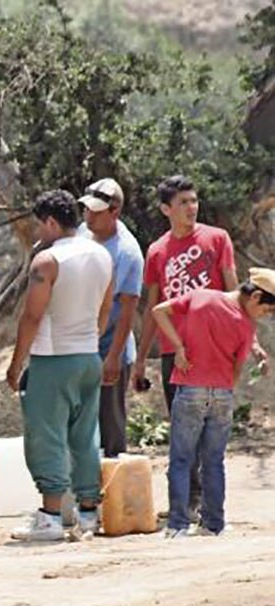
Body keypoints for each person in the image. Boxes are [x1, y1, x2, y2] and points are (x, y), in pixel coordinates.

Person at [131, 175, 268, 518]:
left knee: (211, 426)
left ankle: (208, 502)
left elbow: (237, 292)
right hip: (174, 349)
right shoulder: (157, 251)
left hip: (216, 347)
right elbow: (153, 306)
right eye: (183, 203)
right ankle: (189, 500)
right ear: (166, 209)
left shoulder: (216, 239)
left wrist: (251, 341)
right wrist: (138, 360)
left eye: (194, 201)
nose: (191, 208)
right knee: (182, 426)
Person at [6, 190, 113, 541]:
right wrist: (89, 341)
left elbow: (32, 316)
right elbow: (105, 310)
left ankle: (50, 516)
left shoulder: (47, 262)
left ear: (51, 222)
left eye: (40, 225)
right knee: (85, 437)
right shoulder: (102, 255)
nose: (38, 232)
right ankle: (87, 514)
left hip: (53, 359)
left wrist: (16, 363)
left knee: (46, 436)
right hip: (88, 356)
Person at [152, 268, 275, 538]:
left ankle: (178, 525)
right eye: (266, 310)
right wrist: (226, 388)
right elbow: (237, 367)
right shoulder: (245, 324)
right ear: (255, 297)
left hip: (189, 388)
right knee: (214, 461)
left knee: (182, 459)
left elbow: (158, 310)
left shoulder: (200, 297)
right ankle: (213, 524)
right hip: (221, 393)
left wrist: (179, 348)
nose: (264, 316)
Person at [77, 178, 144, 457]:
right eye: (86, 209)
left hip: (108, 346)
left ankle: (113, 487)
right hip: (80, 344)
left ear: (114, 212)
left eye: (96, 211)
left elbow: (128, 310)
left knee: (109, 422)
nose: (88, 216)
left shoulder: (127, 253)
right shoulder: (82, 233)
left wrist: (113, 357)